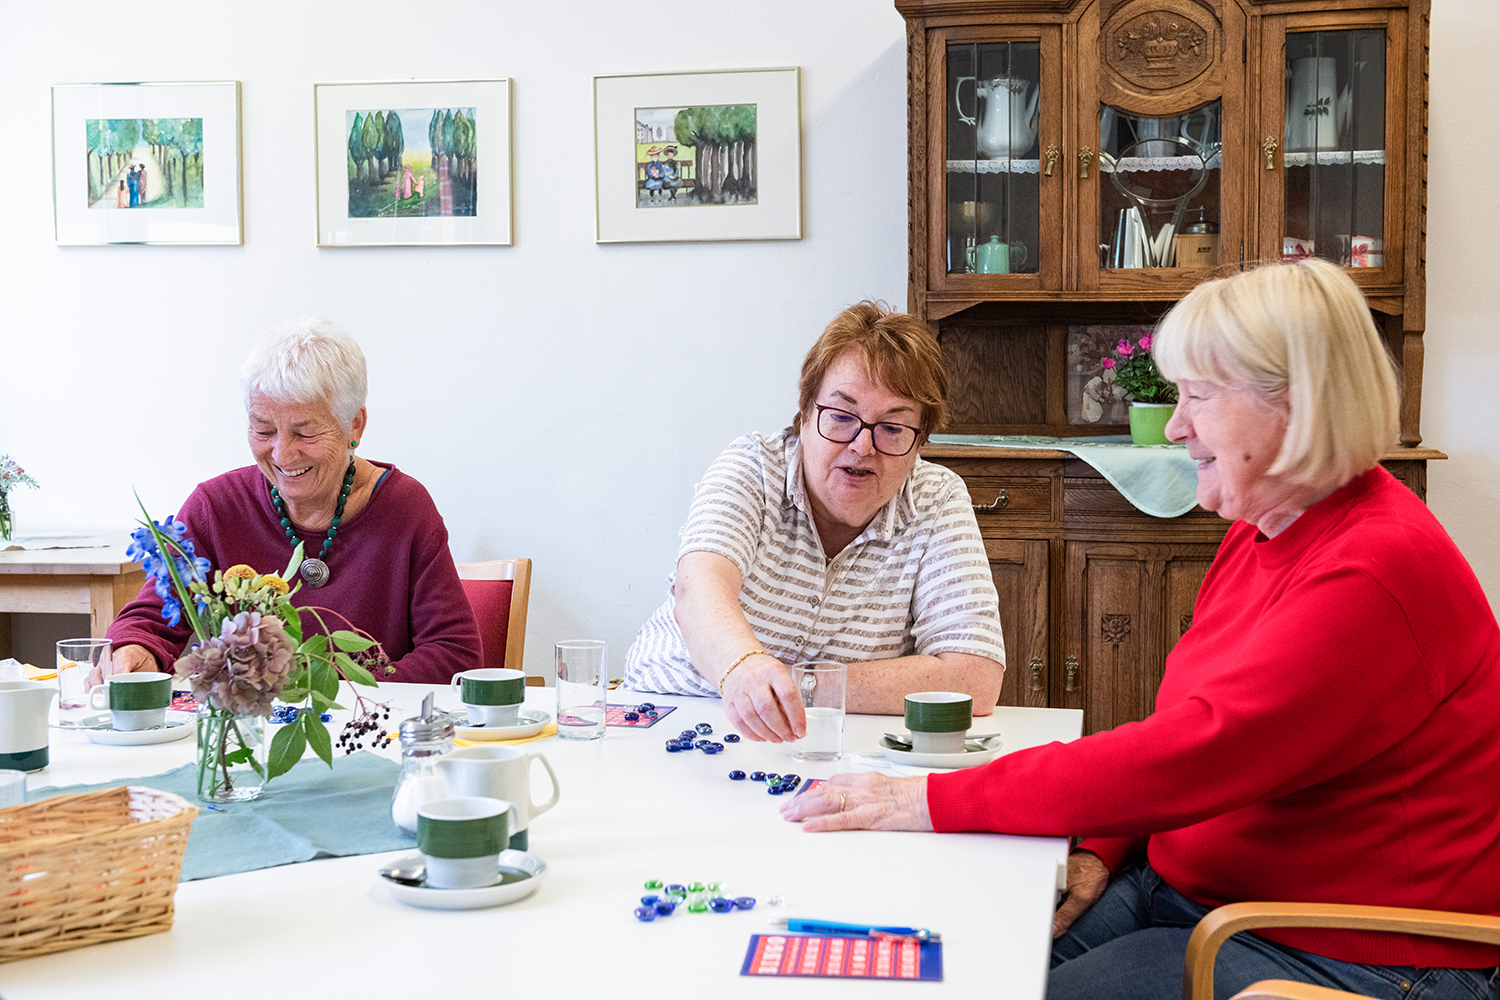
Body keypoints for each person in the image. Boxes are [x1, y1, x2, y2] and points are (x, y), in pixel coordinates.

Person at [781, 261, 1500, 1000]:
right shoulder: (1269, 527)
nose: (1176, 425)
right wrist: (1105, 845)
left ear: (1294, 403)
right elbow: (1182, 732)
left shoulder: (1374, 569)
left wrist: (929, 801)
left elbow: (1196, 755)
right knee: (959, 967)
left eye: (1197, 395)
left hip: (1347, 948)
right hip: (1197, 893)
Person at [623, 301, 1005, 742]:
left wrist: (798, 685)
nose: (862, 447)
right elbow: (699, 585)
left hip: (831, 737)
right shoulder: (751, 467)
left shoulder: (938, 499)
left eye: (892, 428)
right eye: (842, 418)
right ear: (804, 415)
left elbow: (974, 678)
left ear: (920, 442)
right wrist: (744, 669)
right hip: (673, 713)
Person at [108, 320, 481, 685]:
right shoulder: (217, 506)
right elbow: (152, 618)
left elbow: (454, 652)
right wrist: (135, 648)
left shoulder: (405, 508)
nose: (283, 455)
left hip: (370, 732)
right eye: (264, 430)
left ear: (354, 425)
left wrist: (324, 689)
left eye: (305, 431)